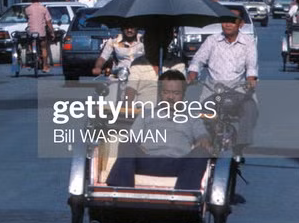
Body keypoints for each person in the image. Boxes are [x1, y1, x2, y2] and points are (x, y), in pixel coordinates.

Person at [106, 71, 212, 189]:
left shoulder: (192, 117)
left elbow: (202, 135)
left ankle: (184, 195)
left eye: (176, 93)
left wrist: (203, 138)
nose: (171, 97)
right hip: (148, 160)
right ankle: (121, 192)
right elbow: (132, 139)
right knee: (126, 145)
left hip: (179, 163)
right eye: (166, 92)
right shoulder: (146, 114)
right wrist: (133, 145)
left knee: (201, 152)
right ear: (160, 93)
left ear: (183, 94)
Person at [187, 11, 259, 150]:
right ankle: (206, 144)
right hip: (213, 90)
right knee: (202, 116)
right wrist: (192, 73)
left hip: (238, 89)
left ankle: (240, 147)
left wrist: (251, 80)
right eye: (225, 20)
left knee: (250, 110)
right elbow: (198, 59)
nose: (227, 25)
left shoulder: (248, 43)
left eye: (232, 21)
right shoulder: (212, 40)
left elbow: (251, 65)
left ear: (240, 24)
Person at [24, 0, 54, 72]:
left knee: (29, 41)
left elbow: (27, 18)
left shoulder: (27, 9)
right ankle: (45, 66)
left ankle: (30, 50)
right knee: (43, 47)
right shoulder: (43, 9)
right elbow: (48, 22)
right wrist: (52, 32)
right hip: (41, 33)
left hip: (31, 33)